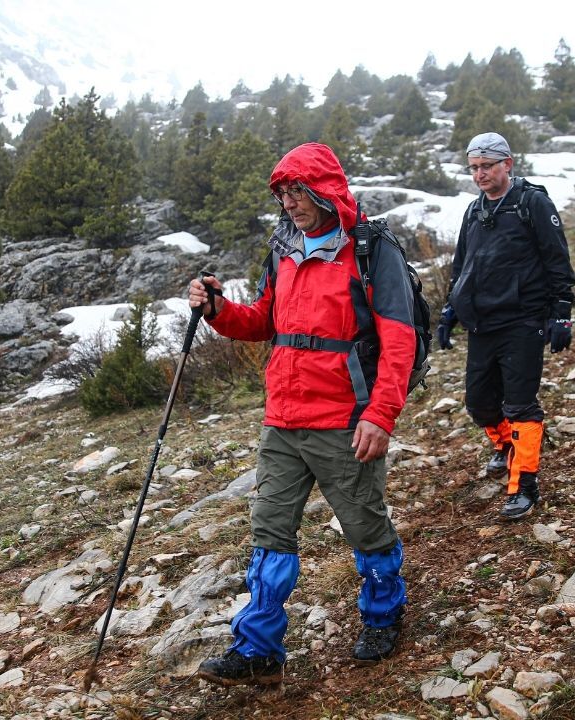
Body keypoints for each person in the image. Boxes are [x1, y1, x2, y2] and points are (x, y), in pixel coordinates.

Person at [188, 142, 414, 686]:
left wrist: (381, 414)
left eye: (298, 192)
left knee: (365, 527)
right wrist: (218, 310)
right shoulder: (283, 248)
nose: (289, 203)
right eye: (283, 194)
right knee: (269, 533)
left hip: (344, 419)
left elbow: (399, 339)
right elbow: (263, 321)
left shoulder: (370, 250)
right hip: (283, 418)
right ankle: (258, 647)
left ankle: (384, 615)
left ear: (326, 191)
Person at [436, 132, 575, 521]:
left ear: (507, 165)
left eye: (487, 166)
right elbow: (462, 265)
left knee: (519, 405)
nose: (480, 174)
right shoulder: (474, 210)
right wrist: (450, 310)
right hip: (482, 324)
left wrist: (561, 312)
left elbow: (557, 259)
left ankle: (524, 486)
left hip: (523, 320)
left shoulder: (532, 203)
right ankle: (507, 445)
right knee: (480, 403)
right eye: (474, 168)